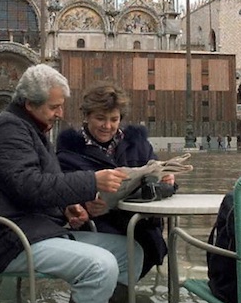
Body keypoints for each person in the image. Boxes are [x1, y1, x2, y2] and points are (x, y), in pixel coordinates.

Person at [0, 64, 144, 303]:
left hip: (35, 230)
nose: (60, 114)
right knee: (101, 265)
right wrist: (92, 181)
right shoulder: (7, 130)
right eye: (54, 107)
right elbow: (28, 185)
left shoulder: (31, 129)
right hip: (8, 240)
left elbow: (36, 186)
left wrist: (66, 208)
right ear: (29, 104)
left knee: (131, 252)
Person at [56, 81, 175, 278]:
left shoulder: (139, 145)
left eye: (114, 119)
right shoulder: (68, 153)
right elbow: (62, 192)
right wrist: (83, 206)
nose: (107, 126)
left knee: (145, 251)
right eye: (100, 118)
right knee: (117, 263)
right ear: (86, 117)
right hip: (100, 227)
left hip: (142, 227)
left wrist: (166, 181)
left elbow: (164, 185)